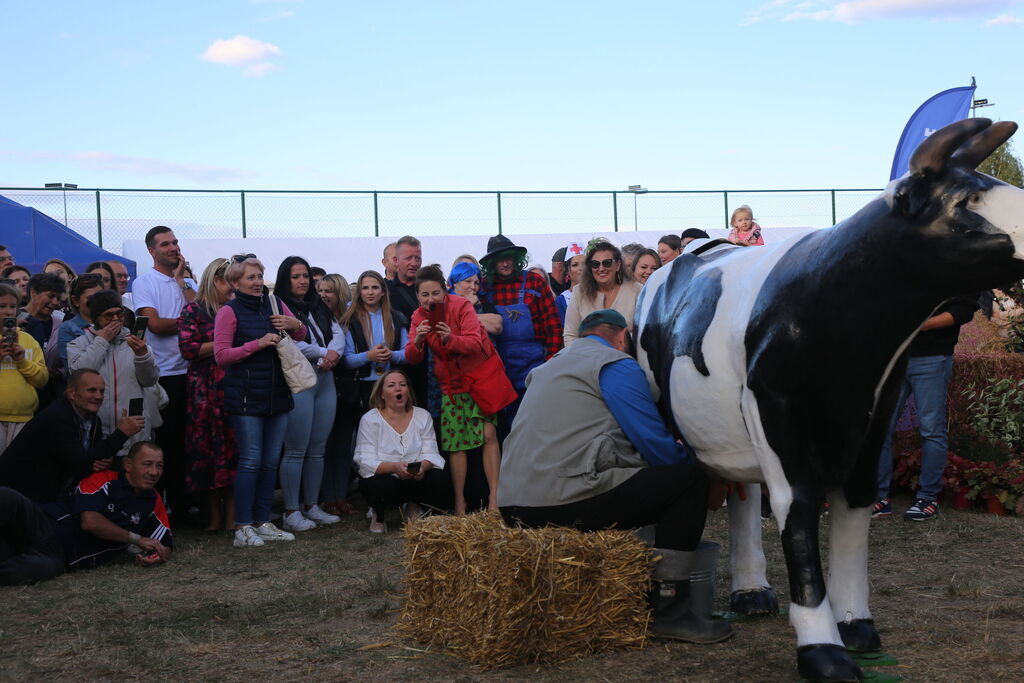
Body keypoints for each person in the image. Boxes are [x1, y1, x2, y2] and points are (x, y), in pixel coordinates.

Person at [498, 310, 730, 644]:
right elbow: (651, 441)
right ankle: (671, 611)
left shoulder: (547, 368)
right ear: (622, 336)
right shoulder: (614, 363)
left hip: (513, 507)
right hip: (562, 500)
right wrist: (707, 470)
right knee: (688, 481)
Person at [214, 253, 306, 548]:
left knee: (269, 462)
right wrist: (256, 344)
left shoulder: (275, 303)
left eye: (259, 276)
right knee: (251, 460)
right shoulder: (228, 312)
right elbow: (221, 355)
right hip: (245, 397)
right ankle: (243, 526)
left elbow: (302, 333)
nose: (257, 282)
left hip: (277, 394)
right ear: (235, 282)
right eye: (250, 277)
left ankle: (263, 521)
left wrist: (294, 323)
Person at [406, 265, 507, 514]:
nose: (431, 299)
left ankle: (494, 500)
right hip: (450, 385)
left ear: (445, 290)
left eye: (436, 293)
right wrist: (418, 340)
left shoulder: (462, 306)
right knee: (456, 444)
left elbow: (474, 343)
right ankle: (459, 503)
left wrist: (450, 337)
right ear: (417, 296)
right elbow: (412, 357)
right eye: (425, 295)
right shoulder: (418, 316)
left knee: (488, 436)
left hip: (479, 379)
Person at [874, 296, 980, 521]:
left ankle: (927, 498)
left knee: (931, 430)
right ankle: (879, 497)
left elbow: (963, 310)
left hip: (932, 357)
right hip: (893, 358)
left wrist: (919, 325)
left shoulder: (958, 275)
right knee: (880, 427)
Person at [0, 368, 144, 504]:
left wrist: (104, 459)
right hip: (19, 496)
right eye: (92, 390)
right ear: (72, 393)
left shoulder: (94, 420)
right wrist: (121, 434)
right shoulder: (58, 417)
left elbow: (94, 457)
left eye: (101, 391)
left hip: (52, 493)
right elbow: (80, 463)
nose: (98, 396)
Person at [274, 256, 344, 532]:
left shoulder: (319, 305)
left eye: (305, 275)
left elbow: (337, 333)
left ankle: (312, 505)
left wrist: (332, 354)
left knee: (317, 448)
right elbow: (287, 343)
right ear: (285, 279)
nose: (302, 281)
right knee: (295, 449)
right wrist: (323, 353)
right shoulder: (278, 306)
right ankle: (291, 511)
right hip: (299, 379)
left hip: (325, 378)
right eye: (296, 276)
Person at [133, 226, 195, 519]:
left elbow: (204, 312)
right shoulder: (144, 283)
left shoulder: (187, 282)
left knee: (188, 442)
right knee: (166, 443)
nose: (173, 248)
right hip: (164, 375)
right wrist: (191, 322)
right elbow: (155, 325)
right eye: (166, 244)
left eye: (175, 242)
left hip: (191, 372)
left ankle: (184, 506)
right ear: (152, 251)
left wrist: (183, 282)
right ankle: (161, 508)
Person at [177, 258, 237, 532]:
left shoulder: (237, 309)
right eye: (230, 282)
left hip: (234, 387)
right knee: (207, 454)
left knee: (234, 452)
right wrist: (223, 342)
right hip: (204, 391)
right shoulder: (194, 310)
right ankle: (213, 517)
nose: (233, 288)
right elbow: (188, 349)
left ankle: (233, 516)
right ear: (216, 280)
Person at [478, 235, 562, 427]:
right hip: (499, 369)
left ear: (517, 258)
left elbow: (553, 326)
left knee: (536, 422)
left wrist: (550, 363)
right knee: (506, 426)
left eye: (509, 258)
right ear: (491, 263)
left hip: (534, 366)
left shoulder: (534, 282)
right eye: (500, 259)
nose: (505, 263)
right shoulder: (484, 287)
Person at [50, 441, 172, 572]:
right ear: (128, 465)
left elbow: (166, 546)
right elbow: (90, 522)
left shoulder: (153, 500)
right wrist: (137, 539)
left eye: (159, 466)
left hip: (60, 557)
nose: (154, 472)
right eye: (147, 464)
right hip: (47, 528)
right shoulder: (104, 479)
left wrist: (158, 556)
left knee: (43, 568)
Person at [353, 370, 449, 533]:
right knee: (371, 483)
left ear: (408, 391)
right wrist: (394, 467)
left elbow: (431, 452)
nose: (398, 389)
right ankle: (379, 514)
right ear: (382, 394)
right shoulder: (370, 419)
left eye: (403, 385)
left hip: (415, 478)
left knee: (439, 477)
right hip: (387, 479)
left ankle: (413, 505)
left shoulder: (423, 416)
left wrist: (422, 468)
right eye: (391, 385)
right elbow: (364, 459)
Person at [67, 290, 160, 457]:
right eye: (109, 315)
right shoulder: (78, 344)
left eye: (119, 313)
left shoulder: (135, 343)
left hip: (134, 433)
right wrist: (102, 341)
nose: (116, 319)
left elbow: (149, 380)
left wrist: (142, 355)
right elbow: (79, 374)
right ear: (96, 318)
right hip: (97, 433)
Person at [317, 274, 360, 516]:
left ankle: (341, 496)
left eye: (329, 291)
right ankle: (327, 498)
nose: (323, 295)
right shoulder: (314, 319)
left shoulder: (351, 321)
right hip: (322, 385)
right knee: (324, 444)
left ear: (340, 293)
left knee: (343, 444)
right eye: (320, 290)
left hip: (347, 388)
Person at [342, 271, 409, 414]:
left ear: (383, 291)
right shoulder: (351, 320)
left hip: (392, 384)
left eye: (375, 287)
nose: (370, 292)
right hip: (362, 386)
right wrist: (369, 356)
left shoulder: (397, 317)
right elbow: (347, 360)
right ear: (359, 292)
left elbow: (407, 354)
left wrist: (391, 354)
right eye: (365, 288)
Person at [563, 241, 643, 346]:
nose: (601, 269)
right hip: (588, 354)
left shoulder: (636, 290)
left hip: (626, 354)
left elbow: (643, 332)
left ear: (618, 265)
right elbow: (570, 335)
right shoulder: (579, 292)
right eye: (595, 264)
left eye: (607, 263)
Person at [0, 283, 48, 453]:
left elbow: (42, 380)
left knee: (16, 465)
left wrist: (22, 361)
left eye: (12, 306)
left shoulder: (28, 340)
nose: (8, 311)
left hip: (23, 418)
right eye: (2, 306)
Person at [386, 236, 427, 405]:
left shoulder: (429, 289)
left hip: (429, 366)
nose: (414, 263)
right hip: (397, 366)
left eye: (417, 258)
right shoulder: (385, 291)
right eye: (408, 258)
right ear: (396, 260)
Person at [21, 272, 66, 375]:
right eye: (51, 296)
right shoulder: (15, 319)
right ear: (33, 293)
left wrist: (59, 373)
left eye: (58, 298)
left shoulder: (61, 324)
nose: (55, 302)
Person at [57, 274, 105, 365]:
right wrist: (103, 339)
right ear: (76, 300)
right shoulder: (68, 329)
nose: (97, 301)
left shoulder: (112, 323)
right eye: (90, 298)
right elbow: (72, 367)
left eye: (100, 296)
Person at [556, 241, 587, 325]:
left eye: (584, 264)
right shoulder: (562, 300)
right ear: (568, 271)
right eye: (575, 265)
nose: (581, 268)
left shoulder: (598, 294)